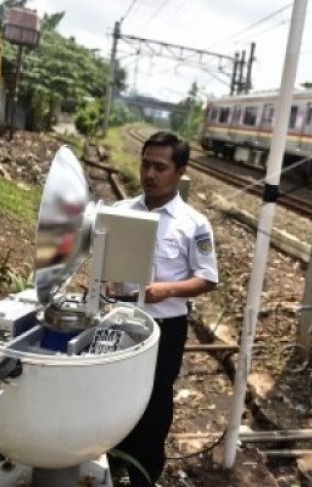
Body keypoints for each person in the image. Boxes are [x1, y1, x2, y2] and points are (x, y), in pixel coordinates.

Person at [113, 131, 218, 486]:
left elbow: (207, 278)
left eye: (160, 167)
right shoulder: (120, 212)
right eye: (145, 165)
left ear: (180, 172)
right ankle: (111, 465)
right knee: (113, 396)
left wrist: (167, 289)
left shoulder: (194, 224)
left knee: (155, 405)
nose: (150, 174)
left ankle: (143, 474)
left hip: (165, 329)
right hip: (121, 320)